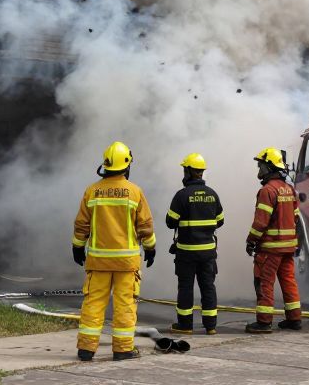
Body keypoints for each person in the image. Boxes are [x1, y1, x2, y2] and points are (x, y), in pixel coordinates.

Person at [72, 141, 157, 361]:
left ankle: (86, 349)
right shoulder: (134, 192)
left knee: (93, 303)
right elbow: (145, 226)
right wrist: (150, 248)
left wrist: (77, 246)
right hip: (126, 263)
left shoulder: (92, 191)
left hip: (98, 261)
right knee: (125, 305)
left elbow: (81, 224)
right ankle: (122, 349)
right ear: (127, 164)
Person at [165, 153, 224, 335]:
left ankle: (185, 325)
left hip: (186, 253)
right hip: (207, 252)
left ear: (189, 172)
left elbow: (170, 222)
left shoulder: (182, 196)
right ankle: (211, 326)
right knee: (208, 286)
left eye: (185, 170)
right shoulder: (212, 195)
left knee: (186, 287)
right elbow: (220, 221)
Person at [245, 147, 302, 333]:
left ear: (269, 167)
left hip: (271, 248)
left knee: (264, 282)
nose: (259, 170)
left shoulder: (267, 191)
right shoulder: (289, 189)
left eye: (260, 166)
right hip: (288, 247)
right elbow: (295, 217)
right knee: (288, 281)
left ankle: (264, 322)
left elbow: (261, 222)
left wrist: (251, 240)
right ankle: (294, 319)